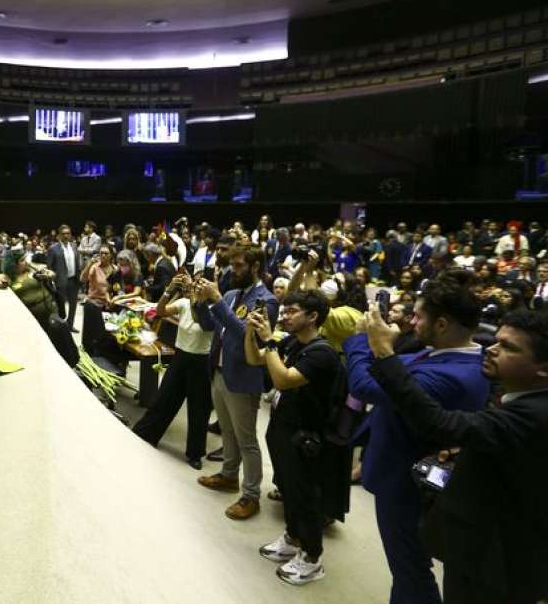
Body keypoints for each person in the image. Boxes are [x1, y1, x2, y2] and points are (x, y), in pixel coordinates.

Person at [363, 307, 548, 604]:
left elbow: (438, 422)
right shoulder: (522, 397)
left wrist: (383, 352)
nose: (492, 350)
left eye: (509, 348)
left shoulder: (536, 414)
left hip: (495, 561)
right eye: (496, 341)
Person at [343, 271, 490, 604]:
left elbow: (366, 386)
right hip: (402, 474)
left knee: (410, 568)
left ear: (442, 324)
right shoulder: (448, 355)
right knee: (407, 566)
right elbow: (396, 367)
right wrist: (381, 349)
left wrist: (360, 340)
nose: (411, 320)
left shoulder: (454, 375)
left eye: (418, 315)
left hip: (406, 484)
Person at [246, 290, 342, 586]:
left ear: (313, 317)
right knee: (287, 487)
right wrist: (251, 333)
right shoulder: (291, 342)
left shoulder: (321, 352)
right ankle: (291, 537)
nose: (284, 316)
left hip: (306, 437)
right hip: (283, 427)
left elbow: (283, 380)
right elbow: (254, 359)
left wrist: (270, 339)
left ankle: (312, 558)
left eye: (291, 312)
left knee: (305, 495)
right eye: (284, 311)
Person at [196, 246, 279, 520]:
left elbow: (249, 335)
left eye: (240, 265)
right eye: (232, 265)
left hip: (243, 377)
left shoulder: (265, 300)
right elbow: (209, 325)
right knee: (228, 432)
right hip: (219, 371)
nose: (233, 270)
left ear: (255, 267)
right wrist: (200, 302)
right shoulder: (231, 294)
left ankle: (251, 495)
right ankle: (229, 475)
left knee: (247, 440)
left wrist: (217, 300)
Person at [132, 273, 215, 469]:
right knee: (165, 398)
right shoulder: (185, 303)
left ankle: (195, 453)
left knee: (198, 409)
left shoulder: (212, 309)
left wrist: (196, 299)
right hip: (181, 357)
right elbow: (160, 311)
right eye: (196, 283)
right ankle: (147, 433)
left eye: (202, 284)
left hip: (200, 361)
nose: (196, 286)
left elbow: (205, 324)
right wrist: (169, 290)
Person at [0, 248, 59, 331]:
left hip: (51, 308)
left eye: (25, 259)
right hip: (32, 316)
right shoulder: (8, 276)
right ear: (13, 264)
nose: (26, 262)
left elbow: (52, 273)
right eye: (22, 260)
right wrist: (0, 284)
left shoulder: (31, 269)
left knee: (60, 336)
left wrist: (48, 275)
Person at [46, 224, 81, 331]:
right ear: (59, 235)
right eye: (63, 234)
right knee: (60, 306)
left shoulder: (74, 246)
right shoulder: (53, 249)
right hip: (60, 282)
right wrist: (51, 283)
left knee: (73, 305)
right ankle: (61, 328)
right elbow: (49, 267)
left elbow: (77, 263)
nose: (66, 236)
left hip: (73, 280)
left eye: (68, 233)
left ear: (70, 235)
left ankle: (70, 325)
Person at [80, 244, 115, 308]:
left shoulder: (115, 269)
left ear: (111, 255)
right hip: (94, 303)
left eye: (106, 253)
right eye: (101, 253)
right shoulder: (94, 267)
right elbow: (82, 279)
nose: (103, 255)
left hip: (110, 303)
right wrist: (90, 264)